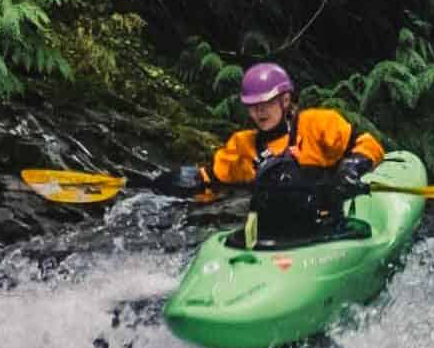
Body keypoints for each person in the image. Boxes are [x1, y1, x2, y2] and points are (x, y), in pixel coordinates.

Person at [153, 64, 386, 246]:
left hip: (324, 230)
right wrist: (183, 180)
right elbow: (211, 179)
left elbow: (369, 144)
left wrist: (352, 166)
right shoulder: (243, 145)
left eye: (266, 103)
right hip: (267, 239)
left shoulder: (316, 124)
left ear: (285, 100)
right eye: (253, 105)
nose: (259, 111)